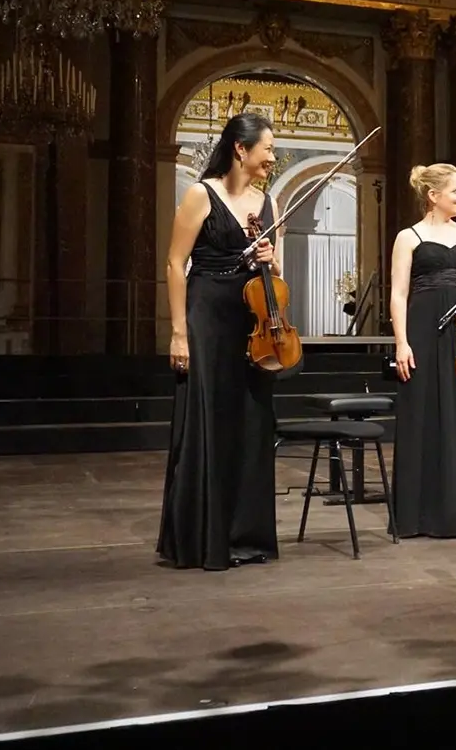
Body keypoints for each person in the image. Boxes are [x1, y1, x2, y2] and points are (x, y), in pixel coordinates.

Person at [159, 111, 282, 571]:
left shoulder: (267, 202)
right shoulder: (200, 194)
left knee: (252, 424)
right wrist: (178, 332)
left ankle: (244, 535)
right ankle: (200, 538)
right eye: (267, 148)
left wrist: (270, 258)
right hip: (207, 317)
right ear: (240, 149)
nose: (272, 156)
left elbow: (276, 276)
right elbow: (175, 264)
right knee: (207, 422)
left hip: (252, 324)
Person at [388, 163, 456, 537]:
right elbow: (399, 295)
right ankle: (419, 515)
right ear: (433, 196)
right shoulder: (409, 237)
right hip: (422, 330)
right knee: (423, 413)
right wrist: (401, 342)